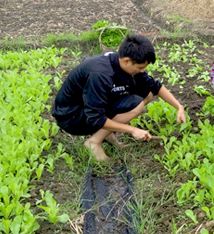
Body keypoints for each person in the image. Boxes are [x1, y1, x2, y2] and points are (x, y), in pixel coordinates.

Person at [52, 34, 186, 161]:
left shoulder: (122, 61)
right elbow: (95, 117)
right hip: (71, 116)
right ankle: (94, 142)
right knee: (136, 104)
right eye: (140, 67)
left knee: (147, 94)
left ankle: (107, 134)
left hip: (87, 108)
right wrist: (133, 130)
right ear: (127, 61)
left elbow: (155, 86)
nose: (142, 71)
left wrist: (179, 107)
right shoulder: (100, 74)